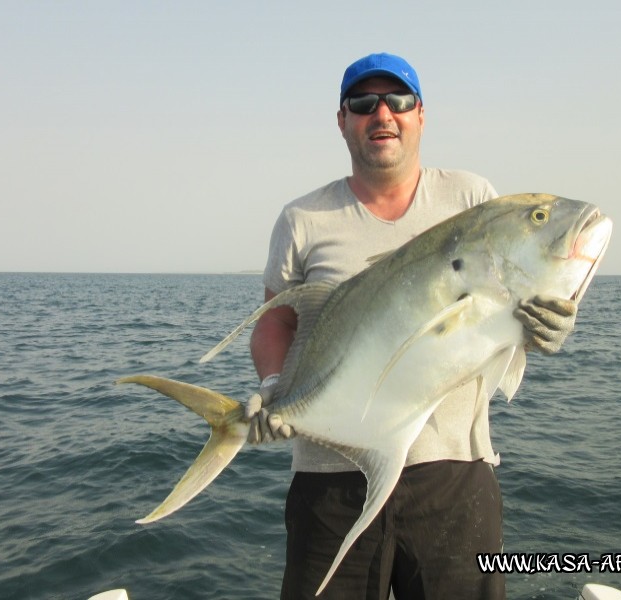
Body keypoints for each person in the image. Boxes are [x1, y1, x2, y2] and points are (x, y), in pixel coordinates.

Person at [247, 52, 577, 599]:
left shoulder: (471, 199)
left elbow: (497, 313)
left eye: (398, 101)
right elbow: (275, 321)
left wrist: (544, 330)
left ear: (421, 115)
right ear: (342, 120)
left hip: (453, 475)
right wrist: (273, 387)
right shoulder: (303, 220)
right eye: (363, 103)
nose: (382, 114)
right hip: (330, 480)